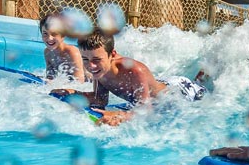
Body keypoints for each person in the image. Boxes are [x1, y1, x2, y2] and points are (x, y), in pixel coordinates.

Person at [51, 30, 205, 126]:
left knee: (202, 90)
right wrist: (73, 93)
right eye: (85, 60)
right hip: (158, 86)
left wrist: (119, 115)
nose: (91, 66)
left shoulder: (134, 70)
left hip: (180, 91)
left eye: (96, 60)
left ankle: (203, 74)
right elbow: (100, 100)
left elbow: (146, 112)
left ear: (112, 55)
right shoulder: (100, 71)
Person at [40, 13, 88, 82]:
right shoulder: (47, 52)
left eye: (54, 34)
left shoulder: (72, 52)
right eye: (45, 34)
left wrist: (55, 84)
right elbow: (50, 76)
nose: (49, 38)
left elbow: (79, 81)